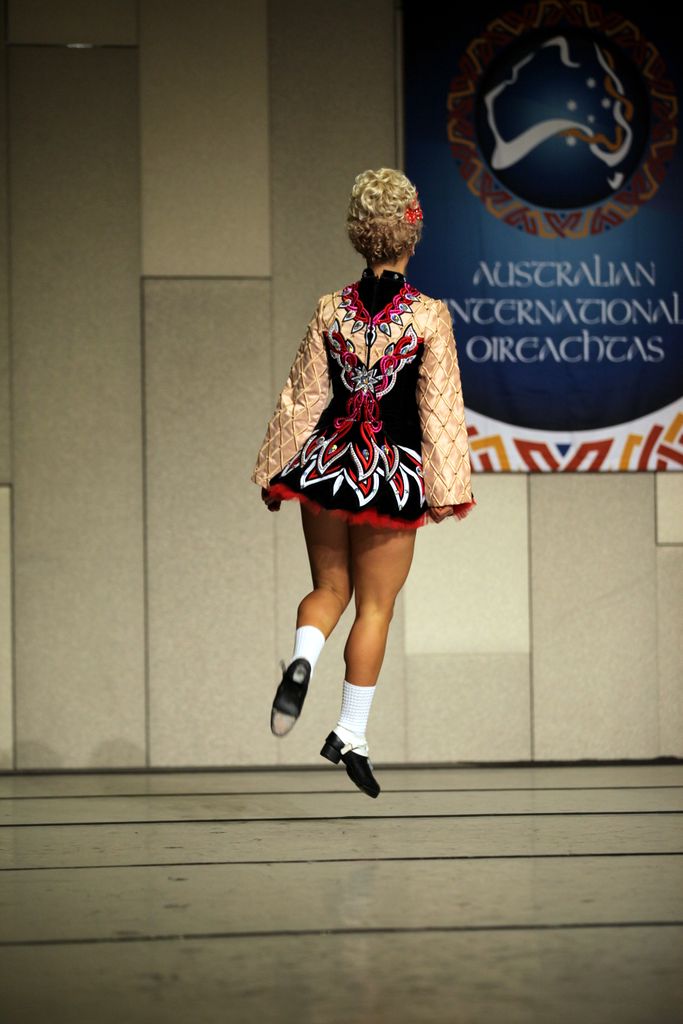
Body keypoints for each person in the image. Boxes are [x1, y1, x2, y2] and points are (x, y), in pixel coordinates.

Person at [250, 167, 476, 798]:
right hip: (388, 475)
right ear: (411, 232)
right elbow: (440, 411)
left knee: (328, 589)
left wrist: (274, 468)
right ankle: (350, 732)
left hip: (325, 465)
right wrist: (447, 489)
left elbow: (301, 398)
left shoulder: (331, 309)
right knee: (375, 606)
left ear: (358, 233)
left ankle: (304, 657)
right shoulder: (428, 316)